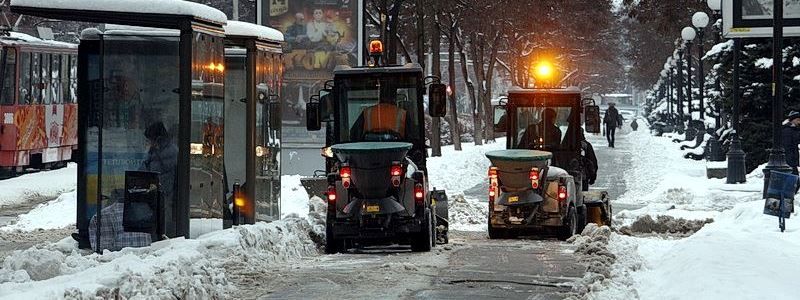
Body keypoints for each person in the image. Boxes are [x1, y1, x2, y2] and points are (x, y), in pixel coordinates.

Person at [141, 121, 178, 207]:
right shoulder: (153, 151)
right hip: (154, 192)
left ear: (157, 139)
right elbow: (143, 168)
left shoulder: (170, 151)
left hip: (164, 196)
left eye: (149, 140)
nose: (148, 142)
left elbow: (168, 177)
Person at [782, 111, 800, 176]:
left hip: (792, 161)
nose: (799, 122)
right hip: (789, 161)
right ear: (793, 120)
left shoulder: (794, 130)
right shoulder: (788, 131)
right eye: (798, 120)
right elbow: (788, 146)